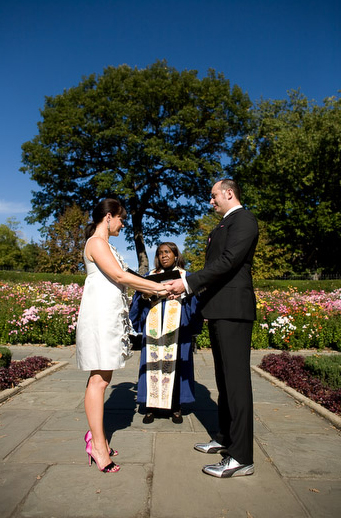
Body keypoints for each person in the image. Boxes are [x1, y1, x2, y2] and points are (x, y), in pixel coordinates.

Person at [166, 179, 258, 478]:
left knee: (236, 383)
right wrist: (187, 291)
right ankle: (224, 438)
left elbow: (229, 262)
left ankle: (242, 457)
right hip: (220, 309)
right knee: (223, 380)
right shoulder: (223, 225)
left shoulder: (244, 220)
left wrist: (188, 282)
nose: (211, 201)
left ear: (229, 193)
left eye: (214, 195)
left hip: (234, 311)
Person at [76, 198, 168, 473]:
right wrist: (159, 289)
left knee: (103, 377)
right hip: (99, 319)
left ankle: (97, 436)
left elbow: (126, 274)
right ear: (108, 217)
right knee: (99, 381)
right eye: (121, 218)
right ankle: (98, 448)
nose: (123, 223)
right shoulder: (96, 243)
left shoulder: (108, 245)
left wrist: (156, 286)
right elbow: (119, 276)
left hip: (109, 318)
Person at [129, 242, 202, 424]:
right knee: (152, 363)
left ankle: (176, 407)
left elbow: (197, 298)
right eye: (161, 253)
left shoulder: (185, 277)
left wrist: (181, 294)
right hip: (154, 327)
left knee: (176, 366)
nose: (164, 256)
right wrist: (147, 294)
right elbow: (139, 298)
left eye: (168, 252)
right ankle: (151, 407)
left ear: (176, 255)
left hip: (177, 327)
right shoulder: (150, 276)